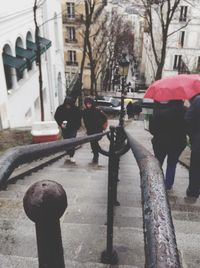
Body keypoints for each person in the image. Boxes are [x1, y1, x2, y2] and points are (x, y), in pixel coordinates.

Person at [149, 100, 187, 190]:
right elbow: (188, 128)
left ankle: (157, 182)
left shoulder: (160, 111)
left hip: (160, 142)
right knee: (172, 163)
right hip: (178, 143)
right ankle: (168, 184)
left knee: (158, 163)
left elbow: (152, 129)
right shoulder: (185, 112)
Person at [54, 96, 82, 163]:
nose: (68, 106)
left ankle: (71, 155)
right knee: (66, 141)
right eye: (67, 105)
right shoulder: (60, 108)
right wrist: (60, 124)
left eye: (69, 105)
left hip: (73, 128)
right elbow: (56, 116)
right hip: (65, 128)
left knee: (72, 141)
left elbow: (79, 117)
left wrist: (77, 126)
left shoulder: (75, 109)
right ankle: (68, 154)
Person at [82, 97, 107, 164]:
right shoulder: (85, 111)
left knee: (94, 142)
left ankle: (96, 155)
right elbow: (85, 121)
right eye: (87, 104)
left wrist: (102, 125)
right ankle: (96, 154)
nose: (88, 105)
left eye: (89, 104)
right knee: (93, 143)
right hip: (90, 130)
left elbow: (104, 118)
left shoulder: (97, 110)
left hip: (98, 130)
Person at [185, 94, 200, 198]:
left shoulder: (198, 100)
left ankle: (193, 191)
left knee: (195, 166)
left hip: (198, 140)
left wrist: (192, 135)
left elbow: (187, 119)